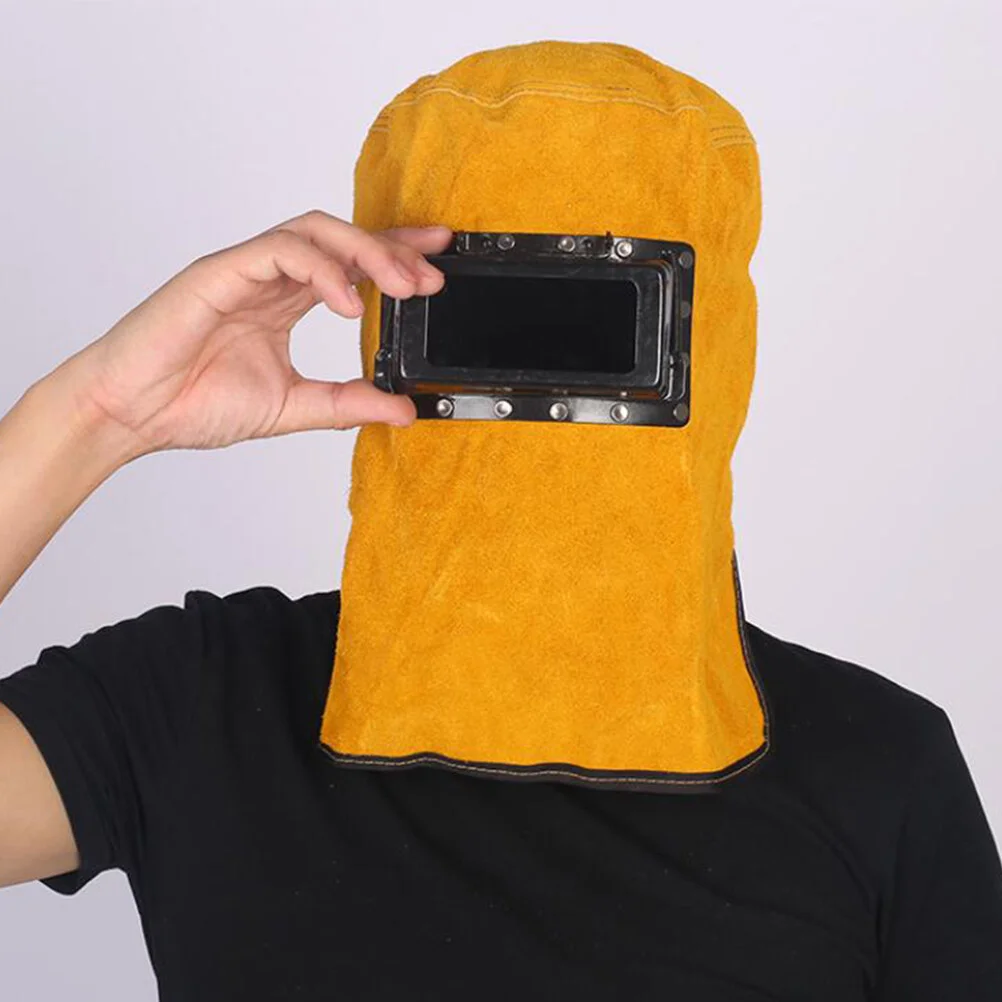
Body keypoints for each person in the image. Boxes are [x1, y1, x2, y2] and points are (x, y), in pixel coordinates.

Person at [2, 40, 1001, 1002]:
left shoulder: (881, 771)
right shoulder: (206, 698)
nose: (532, 406)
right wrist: (102, 413)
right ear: (383, 321)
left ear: (714, 349)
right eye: (476, 319)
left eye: (600, 326)